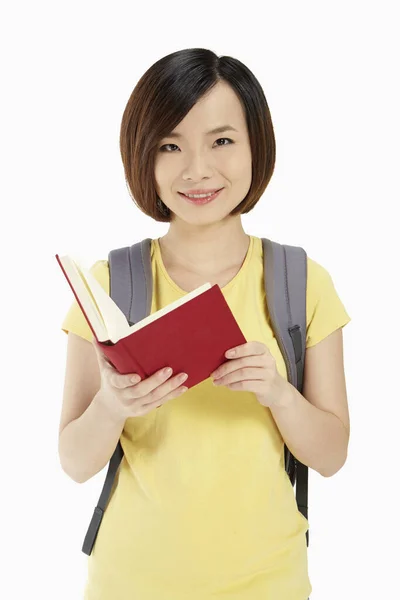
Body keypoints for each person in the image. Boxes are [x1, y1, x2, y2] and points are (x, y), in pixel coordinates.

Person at [58, 48, 351, 600]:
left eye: (221, 141)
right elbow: (74, 461)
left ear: (255, 146)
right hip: (130, 583)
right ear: (142, 156)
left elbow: (332, 455)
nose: (197, 169)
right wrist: (113, 404)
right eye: (170, 145)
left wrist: (278, 393)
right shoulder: (110, 284)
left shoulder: (301, 280)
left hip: (269, 584)